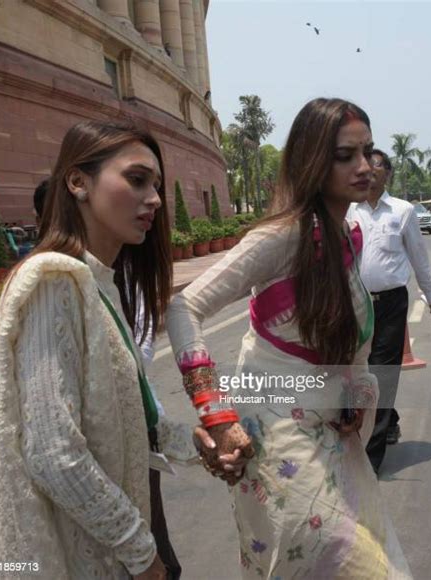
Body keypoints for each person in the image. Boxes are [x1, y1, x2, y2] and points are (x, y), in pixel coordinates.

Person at [166, 98, 413, 578]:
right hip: (280, 441)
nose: (365, 168)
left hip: (333, 439)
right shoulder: (281, 237)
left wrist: (354, 394)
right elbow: (184, 306)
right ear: (312, 161)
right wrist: (214, 415)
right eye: (346, 156)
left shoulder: (346, 235)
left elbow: (345, 350)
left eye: (368, 152)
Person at [0, 120, 178, 579]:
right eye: (136, 180)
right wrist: (141, 552)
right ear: (78, 182)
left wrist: (194, 442)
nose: (153, 199)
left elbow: (123, 412)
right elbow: (55, 454)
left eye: (155, 185)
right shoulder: (53, 281)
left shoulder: (97, 281)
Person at [348, 149, 431, 473]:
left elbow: (419, 257)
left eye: (375, 167)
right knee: (359, 371)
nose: (368, 172)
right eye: (364, 166)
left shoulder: (402, 211)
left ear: (386, 173)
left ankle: (371, 459)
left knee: (383, 374)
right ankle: (389, 422)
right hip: (356, 302)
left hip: (391, 303)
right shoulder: (349, 210)